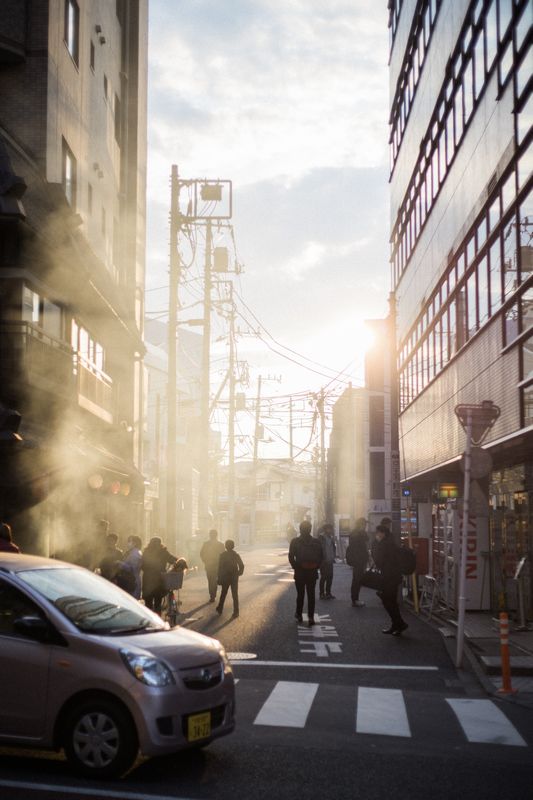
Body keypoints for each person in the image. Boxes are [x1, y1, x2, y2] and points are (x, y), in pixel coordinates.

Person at [371, 524, 408, 635]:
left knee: (388, 601)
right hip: (394, 576)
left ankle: (399, 624)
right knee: (391, 601)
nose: (376, 535)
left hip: (389, 577)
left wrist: (376, 545)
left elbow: (379, 560)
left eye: (378, 532)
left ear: (383, 533)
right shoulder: (392, 543)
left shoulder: (384, 544)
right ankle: (396, 624)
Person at [288, 520, 323, 626]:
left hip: (300, 572)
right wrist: (316, 566)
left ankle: (299, 614)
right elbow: (321, 556)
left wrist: (296, 566)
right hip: (312, 571)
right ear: (310, 529)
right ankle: (311, 617)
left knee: (300, 594)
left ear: (300, 529)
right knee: (311, 595)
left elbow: (291, 556)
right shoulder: (316, 541)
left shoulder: (295, 541)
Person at [141, 536, 177, 614]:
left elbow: (142, 566)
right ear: (160, 544)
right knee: (158, 601)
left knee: (148, 602)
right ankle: (158, 619)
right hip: (159, 579)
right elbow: (172, 559)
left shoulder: (146, 552)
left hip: (148, 579)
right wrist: (180, 562)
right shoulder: (163, 551)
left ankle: (150, 620)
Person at [216, 540, 244, 618]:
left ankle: (220, 608)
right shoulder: (236, 555)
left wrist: (219, 577)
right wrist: (239, 573)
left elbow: (220, 568)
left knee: (223, 593)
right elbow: (241, 565)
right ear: (233, 546)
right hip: (234, 577)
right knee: (234, 594)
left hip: (225, 577)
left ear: (225, 546)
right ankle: (236, 611)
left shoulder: (222, 555)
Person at [345, 518, 369, 607]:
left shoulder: (355, 532)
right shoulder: (357, 533)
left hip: (358, 560)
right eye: (364, 524)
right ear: (361, 524)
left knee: (357, 579)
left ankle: (355, 599)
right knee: (357, 580)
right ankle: (355, 600)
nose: (365, 526)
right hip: (358, 560)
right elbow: (365, 540)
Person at [200, 529, 225, 603]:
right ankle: (213, 595)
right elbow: (223, 555)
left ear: (210, 535)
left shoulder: (206, 544)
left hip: (209, 565)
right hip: (217, 565)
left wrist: (205, 561)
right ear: (217, 535)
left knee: (210, 580)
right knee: (214, 580)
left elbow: (201, 553)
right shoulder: (220, 544)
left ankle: (212, 595)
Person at [318, 523, 337, 599]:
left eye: (331, 529)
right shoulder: (321, 537)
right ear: (325, 529)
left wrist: (333, 557)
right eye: (329, 529)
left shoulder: (331, 538)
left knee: (330, 577)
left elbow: (333, 548)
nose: (330, 530)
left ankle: (328, 593)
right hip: (323, 561)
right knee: (323, 577)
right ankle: (322, 594)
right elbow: (319, 549)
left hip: (330, 560)